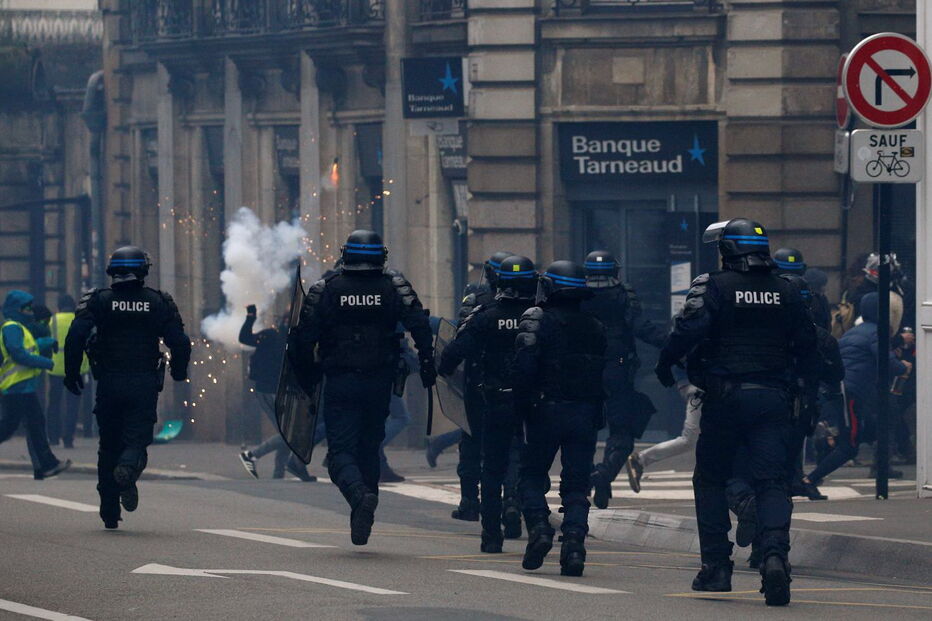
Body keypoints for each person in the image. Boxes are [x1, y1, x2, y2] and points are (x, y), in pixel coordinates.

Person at [655, 218, 817, 606]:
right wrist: (806, 399)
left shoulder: (713, 286)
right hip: (774, 398)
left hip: (725, 398)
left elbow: (688, 330)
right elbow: (809, 348)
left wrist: (665, 364)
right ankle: (775, 555)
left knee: (710, 479)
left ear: (728, 251)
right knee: (772, 481)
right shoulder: (788, 290)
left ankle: (716, 568)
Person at [289, 230, 435, 546]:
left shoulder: (326, 290)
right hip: (380, 382)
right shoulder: (394, 287)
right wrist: (427, 364)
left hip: (340, 382)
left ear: (347, 255)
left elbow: (302, 340)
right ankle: (365, 504)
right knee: (370, 447)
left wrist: (307, 378)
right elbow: (420, 327)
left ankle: (358, 495)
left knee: (341, 451)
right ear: (380, 256)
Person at [64, 246, 191, 529]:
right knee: (136, 439)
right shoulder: (159, 302)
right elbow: (180, 343)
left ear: (112, 272)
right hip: (143, 384)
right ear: (143, 271)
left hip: (109, 382)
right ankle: (127, 469)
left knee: (107, 444)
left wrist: (71, 372)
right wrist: (180, 373)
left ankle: (109, 509)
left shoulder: (98, 300)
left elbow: (75, 337)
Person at [439, 255, 538, 552]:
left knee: (491, 467)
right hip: (533, 404)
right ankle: (528, 520)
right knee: (527, 464)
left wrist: (442, 370)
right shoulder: (541, 315)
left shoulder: (485, 313)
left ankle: (491, 535)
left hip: (493, 399)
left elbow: (456, 349)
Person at [514, 260, 606, 577]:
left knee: (529, 475)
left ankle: (539, 527)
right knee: (577, 485)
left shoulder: (537, 319)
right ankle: (575, 546)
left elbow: (524, 367)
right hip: (584, 412)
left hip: (545, 410)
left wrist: (519, 406)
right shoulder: (594, 324)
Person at [583, 250, 666, 509]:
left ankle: (584, 480)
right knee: (622, 431)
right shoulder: (623, 296)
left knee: (581, 431)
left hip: (584, 372)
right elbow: (641, 327)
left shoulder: (576, 297)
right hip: (618, 369)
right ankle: (604, 473)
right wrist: (672, 343)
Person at [802, 292, 908, 495]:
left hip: (842, 388)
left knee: (862, 432)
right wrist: (903, 367)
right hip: (851, 391)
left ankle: (822, 451)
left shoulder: (854, 331)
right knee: (850, 445)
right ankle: (810, 479)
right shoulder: (878, 332)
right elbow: (887, 363)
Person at [450, 251, 513, 522]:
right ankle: (512, 500)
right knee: (514, 448)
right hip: (519, 390)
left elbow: (460, 341)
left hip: (480, 387)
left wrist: (442, 366)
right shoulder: (533, 306)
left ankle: (470, 502)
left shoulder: (479, 305)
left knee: (472, 445)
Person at [0, 290, 72, 480]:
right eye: (26, 308)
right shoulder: (12, 327)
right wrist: (45, 362)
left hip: (23, 387)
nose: (30, 312)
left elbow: (27, 347)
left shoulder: (18, 327)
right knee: (10, 426)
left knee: (33, 425)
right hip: (17, 386)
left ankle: (45, 466)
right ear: (17, 309)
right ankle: (46, 465)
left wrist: (46, 342)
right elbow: (18, 354)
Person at [238, 306, 315, 481]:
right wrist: (250, 317)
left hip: (279, 392)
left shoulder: (276, 336)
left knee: (288, 432)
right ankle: (252, 455)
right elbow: (244, 339)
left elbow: (245, 338)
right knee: (289, 433)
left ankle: (278, 474)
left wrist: (251, 317)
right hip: (269, 391)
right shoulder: (276, 337)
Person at [626, 368, 701, 493]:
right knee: (690, 439)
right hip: (698, 386)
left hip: (697, 385)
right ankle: (640, 459)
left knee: (706, 436)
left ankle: (640, 460)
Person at [46, 295, 89, 448]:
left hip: (55, 367)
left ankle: (53, 437)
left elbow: (47, 342)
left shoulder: (53, 321)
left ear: (59, 306)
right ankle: (68, 438)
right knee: (73, 404)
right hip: (76, 368)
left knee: (54, 403)